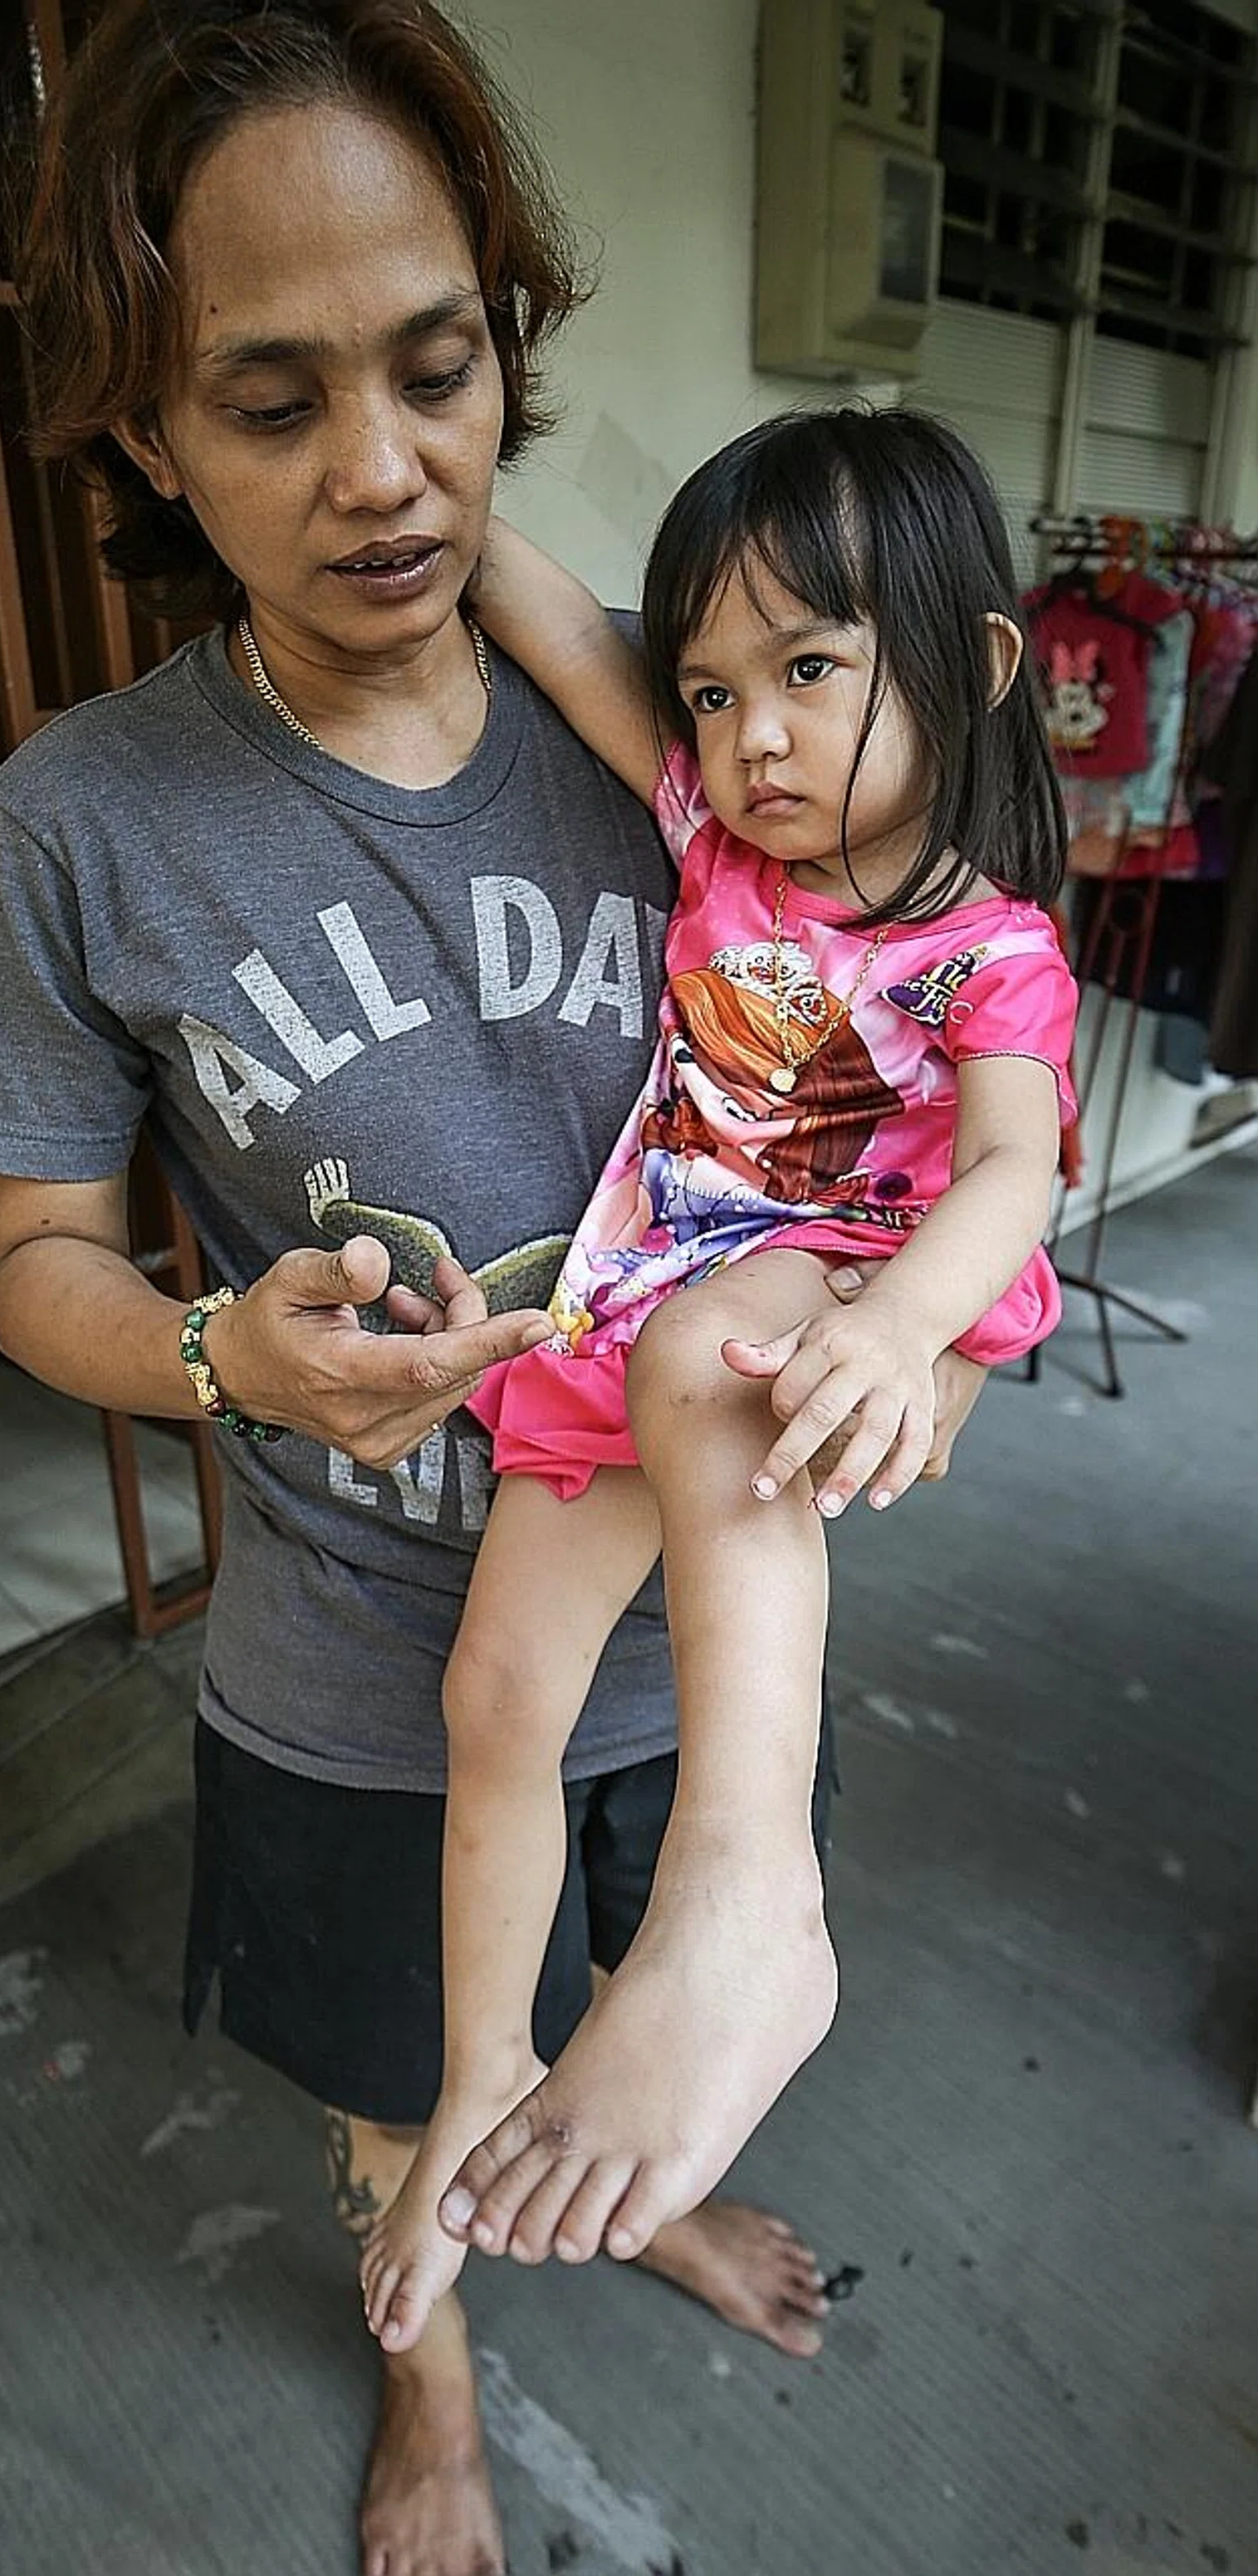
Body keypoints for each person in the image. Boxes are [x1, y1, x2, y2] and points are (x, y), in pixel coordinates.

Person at [0, 8, 989, 2570]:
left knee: (670, 2009)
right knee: (411, 2084)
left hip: (700, 1630)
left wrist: (918, 1329)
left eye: (434, 367)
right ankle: (436, 2395)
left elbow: (901, 1064)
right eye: (269, 405)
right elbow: (36, 1257)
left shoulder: (687, 728)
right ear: (146, 441)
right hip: (364, 1658)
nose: (383, 472)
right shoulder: (75, 828)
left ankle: (657, 2191)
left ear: (507, 337)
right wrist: (211, 1348)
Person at [360, 408, 1079, 2359]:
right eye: (716, 686)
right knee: (493, 1692)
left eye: (812, 670)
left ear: (979, 669)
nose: (750, 735)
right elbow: (566, 639)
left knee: (718, 1345)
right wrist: (441, 486)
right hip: (638, 1298)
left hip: (837, 1288)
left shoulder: (986, 953)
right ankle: (482, 2072)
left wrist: (901, 1326)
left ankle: (747, 1895)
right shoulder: (710, 841)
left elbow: (1013, 1169)